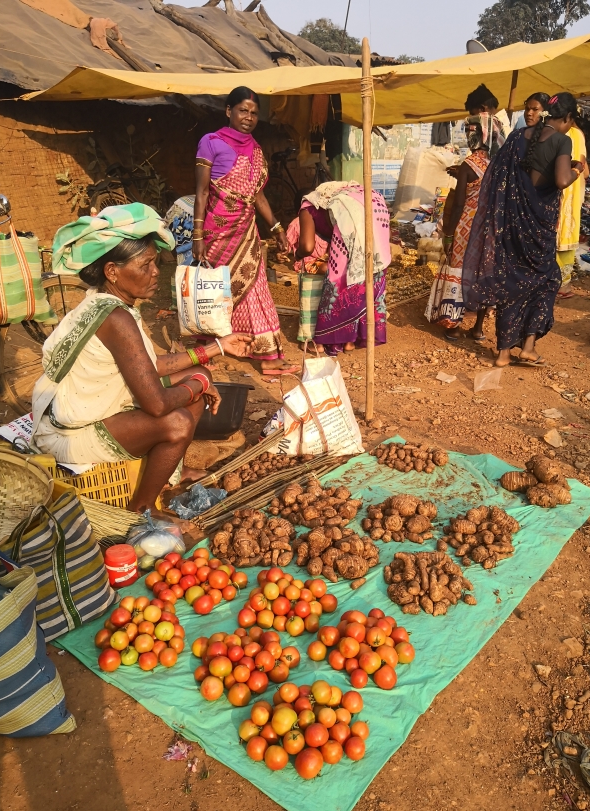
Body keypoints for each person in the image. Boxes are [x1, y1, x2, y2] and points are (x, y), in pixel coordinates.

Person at [30, 203, 254, 514]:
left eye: (155, 263)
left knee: (197, 378)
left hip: (83, 410)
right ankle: (140, 511)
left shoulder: (105, 303)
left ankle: (168, 474)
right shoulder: (116, 318)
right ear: (113, 271)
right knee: (176, 423)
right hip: (67, 436)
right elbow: (157, 405)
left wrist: (216, 348)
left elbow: (150, 365)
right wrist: (200, 383)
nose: (155, 272)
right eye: (145, 264)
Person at [462, 93, 584, 368]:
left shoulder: (518, 137)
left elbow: (498, 177)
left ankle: (504, 353)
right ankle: (527, 347)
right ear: (566, 119)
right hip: (538, 229)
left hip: (511, 228)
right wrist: (578, 169)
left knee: (511, 282)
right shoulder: (561, 140)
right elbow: (562, 180)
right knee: (548, 280)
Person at [192, 86, 298, 376]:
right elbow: (201, 193)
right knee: (215, 293)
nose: (248, 117)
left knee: (254, 289)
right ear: (229, 111)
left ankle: (267, 355)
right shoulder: (210, 143)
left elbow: (259, 197)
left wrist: (277, 229)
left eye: (254, 113)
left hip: (246, 232)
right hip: (216, 234)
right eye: (243, 110)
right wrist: (197, 235)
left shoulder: (255, 149)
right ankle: (209, 347)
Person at [291, 181, 391, 356]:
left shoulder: (307, 206)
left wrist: (297, 255)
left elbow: (307, 246)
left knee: (343, 283)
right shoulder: (335, 199)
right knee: (364, 278)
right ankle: (351, 340)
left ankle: (329, 340)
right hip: (376, 212)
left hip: (352, 221)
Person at [425, 116, 497, 339]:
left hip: (467, 225)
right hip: (489, 226)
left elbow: (458, 204)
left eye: (469, 132)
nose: (467, 136)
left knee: (457, 268)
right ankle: (477, 328)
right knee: (484, 271)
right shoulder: (497, 165)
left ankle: (454, 326)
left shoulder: (467, 166)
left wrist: (449, 231)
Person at [556, 121, 589, 299]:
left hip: (558, 191)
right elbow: (585, 171)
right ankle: (564, 284)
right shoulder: (579, 135)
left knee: (554, 235)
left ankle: (553, 283)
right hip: (574, 193)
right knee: (567, 235)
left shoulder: (558, 134)